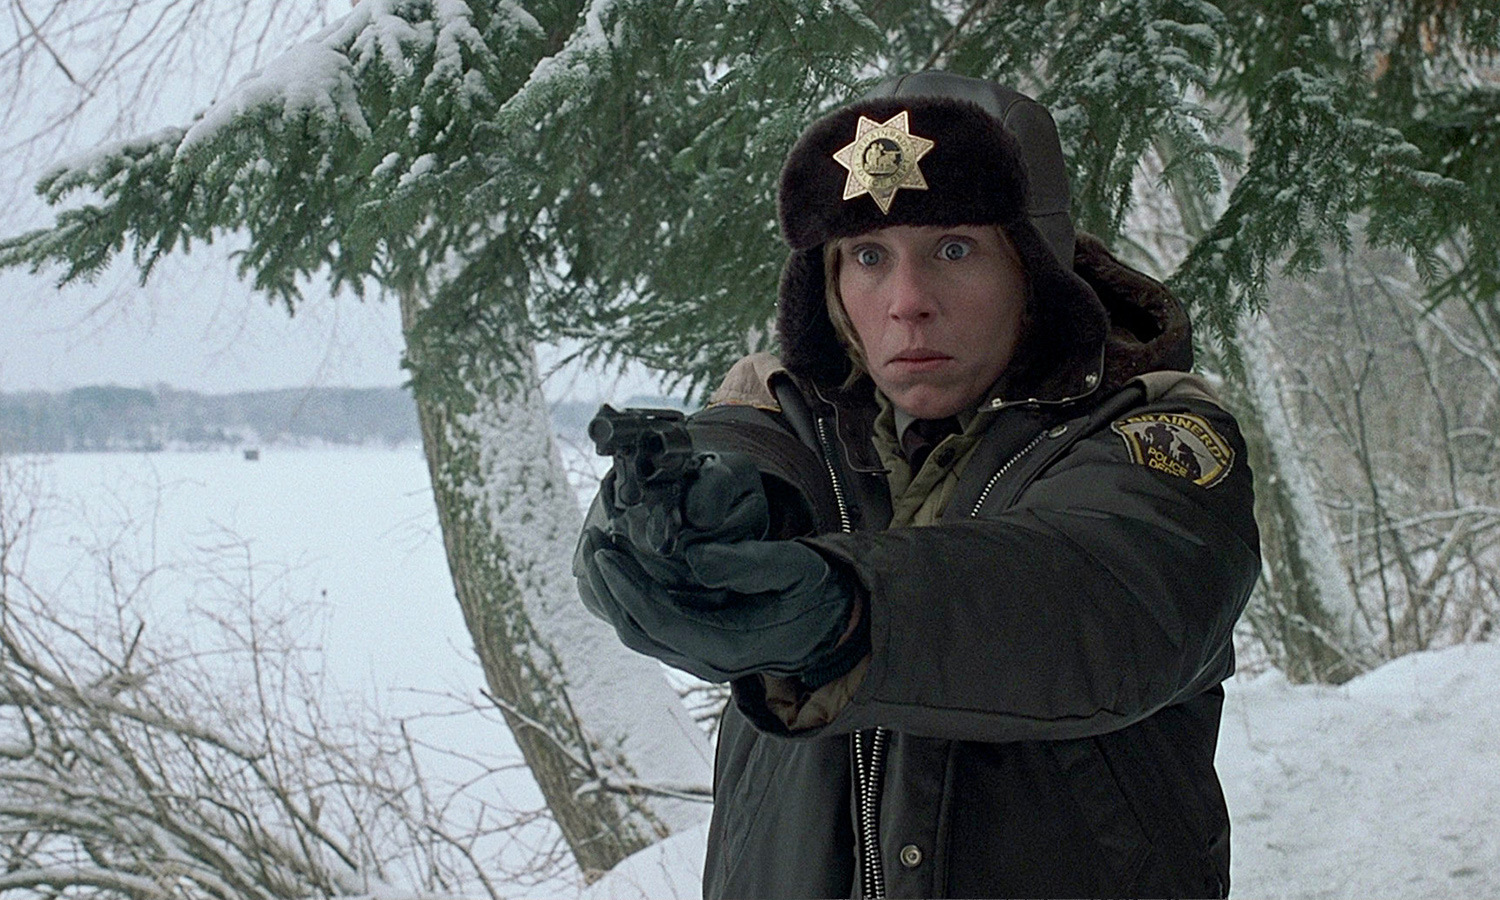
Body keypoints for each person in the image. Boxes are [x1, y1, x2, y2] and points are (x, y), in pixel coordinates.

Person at [575, 71, 1259, 900]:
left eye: (955, 249)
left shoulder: (1154, 434)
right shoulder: (786, 415)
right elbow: (741, 462)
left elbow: (1103, 600)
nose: (908, 303)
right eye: (868, 257)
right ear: (829, 288)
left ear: (1034, 271)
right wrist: (669, 524)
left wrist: (850, 612)